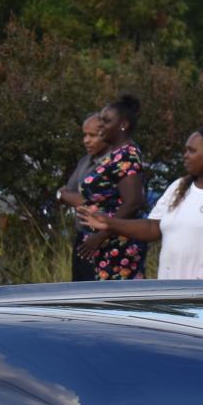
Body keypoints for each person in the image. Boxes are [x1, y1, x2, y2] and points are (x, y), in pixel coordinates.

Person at [81, 123, 203, 280]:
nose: (185, 155)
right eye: (185, 150)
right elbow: (153, 227)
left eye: (192, 151)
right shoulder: (179, 187)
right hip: (171, 290)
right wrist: (110, 223)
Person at [76, 94, 147, 281]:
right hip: (104, 246)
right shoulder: (113, 154)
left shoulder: (127, 155)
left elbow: (133, 202)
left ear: (123, 125)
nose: (101, 126)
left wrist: (101, 235)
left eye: (106, 121)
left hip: (118, 246)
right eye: (100, 121)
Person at [58, 114, 106, 281]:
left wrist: (76, 198)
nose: (86, 140)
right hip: (82, 235)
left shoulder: (113, 164)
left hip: (105, 237)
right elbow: (64, 193)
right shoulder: (84, 162)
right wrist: (68, 196)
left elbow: (94, 202)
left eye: (92, 135)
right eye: (84, 135)